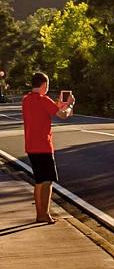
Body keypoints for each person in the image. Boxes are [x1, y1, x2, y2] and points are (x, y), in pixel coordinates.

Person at [22, 72, 75, 224]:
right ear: (44, 85)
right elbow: (63, 115)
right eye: (47, 85)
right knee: (47, 182)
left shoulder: (26, 100)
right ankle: (44, 214)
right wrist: (70, 104)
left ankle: (40, 214)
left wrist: (59, 104)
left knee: (39, 181)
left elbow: (51, 109)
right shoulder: (44, 100)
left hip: (31, 146)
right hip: (43, 146)